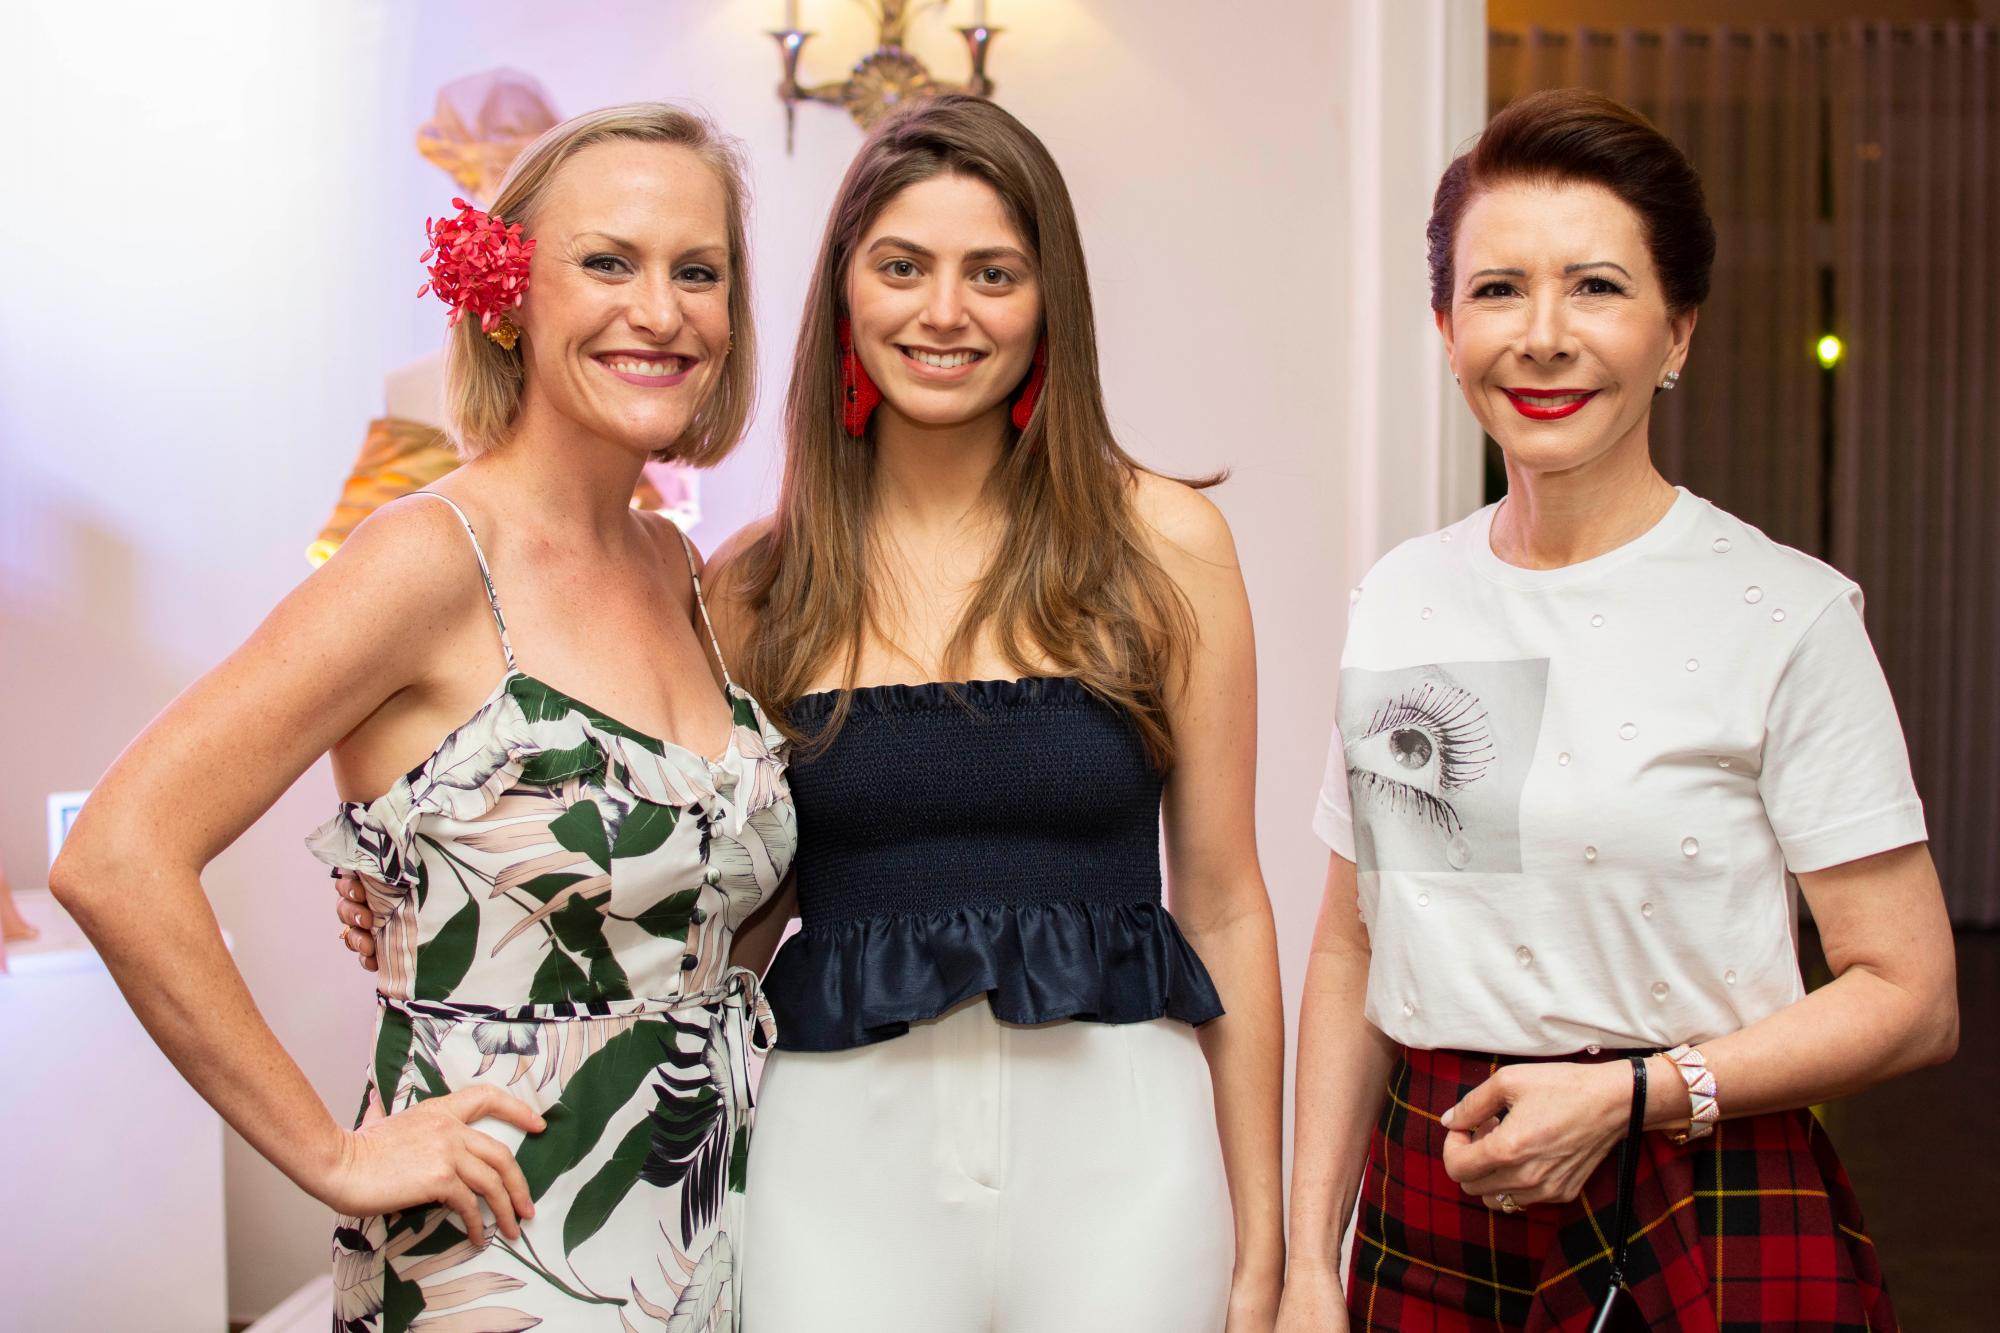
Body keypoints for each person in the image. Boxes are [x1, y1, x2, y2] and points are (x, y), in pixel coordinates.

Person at [52, 102, 793, 1332]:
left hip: (709, 1217)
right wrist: (333, 1159)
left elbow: (703, 907)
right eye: (606, 261)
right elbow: (118, 855)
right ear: (504, 295)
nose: (659, 311)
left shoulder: (683, 572)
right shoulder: (427, 560)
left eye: (696, 271)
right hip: (504, 1251)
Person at [1279, 88, 1956, 1332]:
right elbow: (1353, 945)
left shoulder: (1781, 613)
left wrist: (1641, 1093)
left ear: (1675, 331)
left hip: (1695, 1180)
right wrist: (1305, 1263)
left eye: (1594, 287)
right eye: (1495, 291)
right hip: (1434, 1181)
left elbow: (1908, 992)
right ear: (1443, 327)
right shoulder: (1406, 598)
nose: (1541, 338)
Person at [705, 95, 1284, 1331]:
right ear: (845, 292)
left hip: (1128, 1159)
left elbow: (1226, 899)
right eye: (902, 266)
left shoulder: (1165, 543)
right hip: (834, 1162)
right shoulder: (754, 591)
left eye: (992, 273)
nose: (944, 313)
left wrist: (1267, 1252)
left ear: (1047, 303)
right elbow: (719, 914)